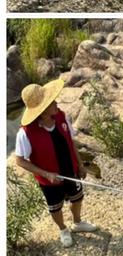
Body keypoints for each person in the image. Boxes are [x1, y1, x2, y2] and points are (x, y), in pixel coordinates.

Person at [15, 80, 97, 248]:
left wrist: (80, 165)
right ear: (42, 111)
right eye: (51, 102)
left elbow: (70, 142)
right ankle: (63, 229)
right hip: (49, 180)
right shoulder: (26, 133)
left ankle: (77, 222)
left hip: (70, 170)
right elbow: (20, 160)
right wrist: (46, 174)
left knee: (77, 198)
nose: (56, 103)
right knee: (55, 208)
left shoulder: (61, 116)